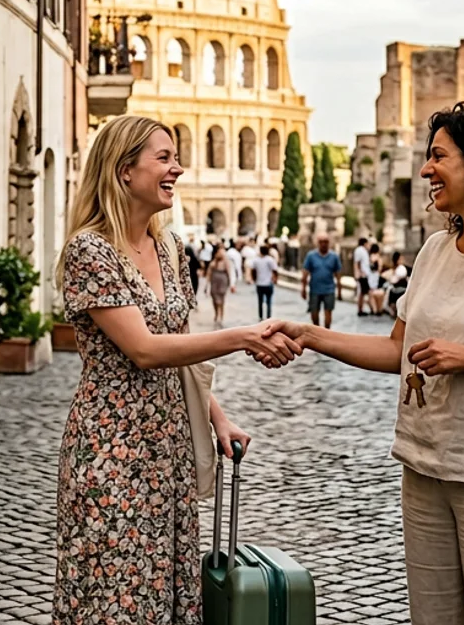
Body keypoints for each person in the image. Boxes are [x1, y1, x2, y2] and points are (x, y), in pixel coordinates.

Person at [266, 102, 464, 625]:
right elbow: (399, 350)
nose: (425, 170)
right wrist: (310, 335)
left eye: (438, 156)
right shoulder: (436, 250)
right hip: (424, 470)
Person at [53, 114, 302, 624]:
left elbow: (179, 355)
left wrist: (218, 418)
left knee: (166, 586)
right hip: (112, 448)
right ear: (124, 171)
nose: (178, 169)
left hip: (170, 450)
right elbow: (145, 350)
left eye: (176, 158)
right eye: (163, 158)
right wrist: (242, 336)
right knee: (114, 590)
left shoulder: (169, 250)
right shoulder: (90, 251)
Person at [301, 232, 341, 329]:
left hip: (329, 289)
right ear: (317, 243)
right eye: (321, 242)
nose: (323, 244)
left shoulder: (334, 257)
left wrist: (339, 290)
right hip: (315, 289)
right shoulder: (311, 256)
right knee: (314, 313)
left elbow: (338, 274)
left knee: (328, 312)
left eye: (326, 241)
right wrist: (303, 288)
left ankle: (326, 332)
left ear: (329, 243)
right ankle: (317, 330)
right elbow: (305, 273)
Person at [207, 244, 235, 328]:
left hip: (222, 281)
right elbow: (209, 273)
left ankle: (221, 315)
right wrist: (206, 285)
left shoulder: (226, 261)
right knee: (214, 298)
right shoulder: (214, 261)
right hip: (214, 282)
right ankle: (216, 313)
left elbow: (229, 272)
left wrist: (231, 284)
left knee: (221, 299)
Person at [250, 244, 278, 321]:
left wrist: (254, 279)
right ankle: (268, 317)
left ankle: (260, 316)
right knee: (269, 301)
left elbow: (253, 270)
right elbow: (275, 270)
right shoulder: (270, 259)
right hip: (268, 283)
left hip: (259, 283)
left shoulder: (256, 260)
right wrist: (275, 279)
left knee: (260, 301)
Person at [386, 251, 409, 316]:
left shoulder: (402, 268)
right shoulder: (397, 268)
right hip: (396, 288)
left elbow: (394, 280)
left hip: (401, 288)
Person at [353, 236, 372, 314]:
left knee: (363, 293)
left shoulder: (363, 251)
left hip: (364, 274)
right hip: (362, 275)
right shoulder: (360, 250)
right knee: (362, 292)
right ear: (364, 243)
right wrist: (360, 273)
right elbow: (358, 262)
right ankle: (360, 309)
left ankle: (361, 309)